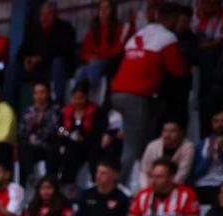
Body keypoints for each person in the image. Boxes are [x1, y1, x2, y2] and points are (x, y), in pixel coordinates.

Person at [109, 5, 188, 180]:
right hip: (136, 96)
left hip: (117, 94)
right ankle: (120, 185)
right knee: (132, 146)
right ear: (173, 19)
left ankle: (145, 172)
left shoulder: (139, 34)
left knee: (154, 114)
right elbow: (178, 70)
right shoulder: (167, 37)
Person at [6, 2, 76, 109]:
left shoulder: (65, 28)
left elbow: (65, 51)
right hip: (35, 70)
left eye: (48, 15)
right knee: (13, 69)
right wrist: (26, 60)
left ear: (55, 14)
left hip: (52, 70)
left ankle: (58, 107)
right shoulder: (34, 30)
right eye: (42, 15)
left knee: (58, 63)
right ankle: (10, 109)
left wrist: (41, 59)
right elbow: (20, 53)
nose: (44, 18)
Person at [75, 0, 131, 102]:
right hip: (94, 61)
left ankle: (92, 101)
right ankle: (78, 100)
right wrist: (89, 57)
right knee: (80, 71)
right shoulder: (94, 29)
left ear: (112, 11)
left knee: (94, 67)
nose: (103, 11)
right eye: (101, 8)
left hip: (109, 61)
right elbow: (84, 50)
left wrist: (99, 56)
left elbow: (118, 50)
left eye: (107, 8)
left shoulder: (118, 28)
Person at [57, 82, 109, 187]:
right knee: (68, 153)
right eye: (75, 98)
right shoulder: (66, 111)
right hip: (71, 144)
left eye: (80, 98)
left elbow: (100, 131)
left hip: (90, 144)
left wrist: (84, 138)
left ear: (86, 97)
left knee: (95, 155)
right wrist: (67, 134)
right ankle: (67, 184)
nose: (77, 101)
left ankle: (96, 184)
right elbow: (60, 128)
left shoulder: (96, 112)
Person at [192, 108, 223, 204]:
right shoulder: (204, 142)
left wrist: (222, 154)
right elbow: (196, 173)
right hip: (203, 185)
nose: (219, 125)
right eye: (216, 121)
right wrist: (208, 158)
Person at [19, 82, 62, 181]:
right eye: (36, 93)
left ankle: (51, 181)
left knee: (54, 150)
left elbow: (60, 129)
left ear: (48, 94)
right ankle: (30, 179)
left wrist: (40, 123)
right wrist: (30, 127)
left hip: (49, 144)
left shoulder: (55, 110)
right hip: (33, 146)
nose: (39, 96)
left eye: (42, 92)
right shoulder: (28, 111)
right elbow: (22, 132)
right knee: (24, 147)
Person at [138, 120, 194, 190]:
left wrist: (165, 190)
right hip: (151, 187)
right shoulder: (152, 146)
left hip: (176, 189)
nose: (167, 135)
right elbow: (144, 171)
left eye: (172, 131)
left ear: (181, 133)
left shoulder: (187, 147)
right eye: (165, 130)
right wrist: (146, 190)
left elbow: (182, 174)